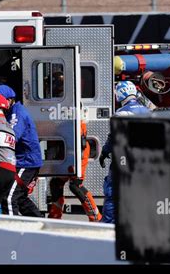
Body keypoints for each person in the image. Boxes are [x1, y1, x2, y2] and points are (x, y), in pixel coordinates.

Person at [99, 81, 150, 223]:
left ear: (120, 94)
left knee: (112, 195)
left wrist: (104, 152)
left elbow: (114, 138)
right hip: (146, 163)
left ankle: (107, 228)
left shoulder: (121, 113)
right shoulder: (148, 112)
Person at [0, 84, 43, 217]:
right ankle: (40, 223)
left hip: (26, 162)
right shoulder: (9, 112)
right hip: (21, 161)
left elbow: (13, 136)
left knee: (9, 197)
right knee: (20, 198)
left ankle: (10, 232)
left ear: (8, 100)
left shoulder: (17, 113)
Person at [48, 104, 102, 222]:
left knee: (76, 185)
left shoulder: (77, 121)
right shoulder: (66, 121)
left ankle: (96, 216)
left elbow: (80, 141)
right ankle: (55, 216)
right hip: (68, 151)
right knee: (56, 183)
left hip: (79, 151)